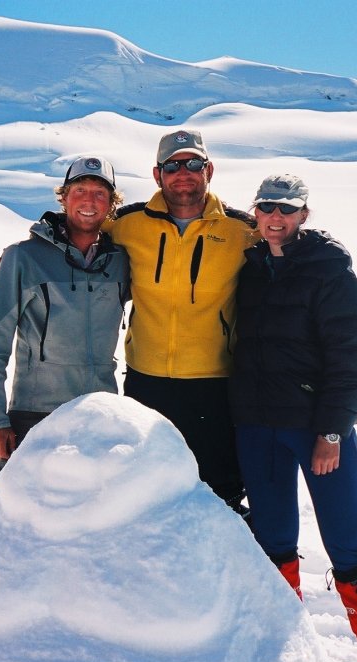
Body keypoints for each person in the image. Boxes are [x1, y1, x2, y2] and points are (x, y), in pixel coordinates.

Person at [229, 174, 357, 662]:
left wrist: (332, 431)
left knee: (350, 545)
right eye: (267, 208)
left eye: (287, 209)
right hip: (258, 429)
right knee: (272, 544)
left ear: (304, 214)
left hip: (317, 433)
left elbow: (352, 359)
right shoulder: (248, 268)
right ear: (256, 212)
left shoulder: (331, 273)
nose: (276, 218)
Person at [108, 130, 256, 515]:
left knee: (219, 490)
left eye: (192, 164)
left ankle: (228, 569)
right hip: (146, 379)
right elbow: (76, 232)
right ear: (158, 175)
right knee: (147, 485)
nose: (183, 173)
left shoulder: (241, 231)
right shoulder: (127, 224)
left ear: (209, 169)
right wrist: (15, 259)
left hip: (215, 381)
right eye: (172, 166)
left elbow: (289, 249)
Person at [0, 156, 130, 484]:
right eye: (80, 190)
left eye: (100, 193)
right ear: (64, 197)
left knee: (92, 514)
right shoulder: (24, 257)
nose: (89, 201)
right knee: (17, 513)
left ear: (111, 204)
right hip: (34, 414)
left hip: (98, 413)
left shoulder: (121, 262)